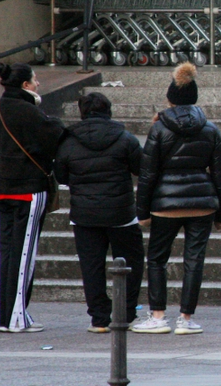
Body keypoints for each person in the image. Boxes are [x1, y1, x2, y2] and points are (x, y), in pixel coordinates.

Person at [133, 62, 221, 335]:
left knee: (157, 259)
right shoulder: (210, 129)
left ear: (171, 98)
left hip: (165, 205)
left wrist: (142, 211)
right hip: (202, 204)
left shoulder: (159, 128)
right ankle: (186, 319)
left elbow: (147, 173)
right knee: (194, 260)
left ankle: (158, 315)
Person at [54, 92, 144, 333]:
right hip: (121, 213)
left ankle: (99, 318)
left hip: (84, 215)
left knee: (91, 266)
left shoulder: (68, 141)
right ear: (108, 111)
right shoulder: (125, 138)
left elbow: (61, 175)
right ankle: (126, 311)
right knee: (131, 262)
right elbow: (140, 168)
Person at [0, 62, 64, 333]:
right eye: (35, 80)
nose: (38, 84)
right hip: (27, 189)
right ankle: (15, 317)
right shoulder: (29, 112)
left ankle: (4, 314)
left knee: (4, 250)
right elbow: (55, 137)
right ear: (25, 85)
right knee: (24, 252)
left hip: (2, 189)